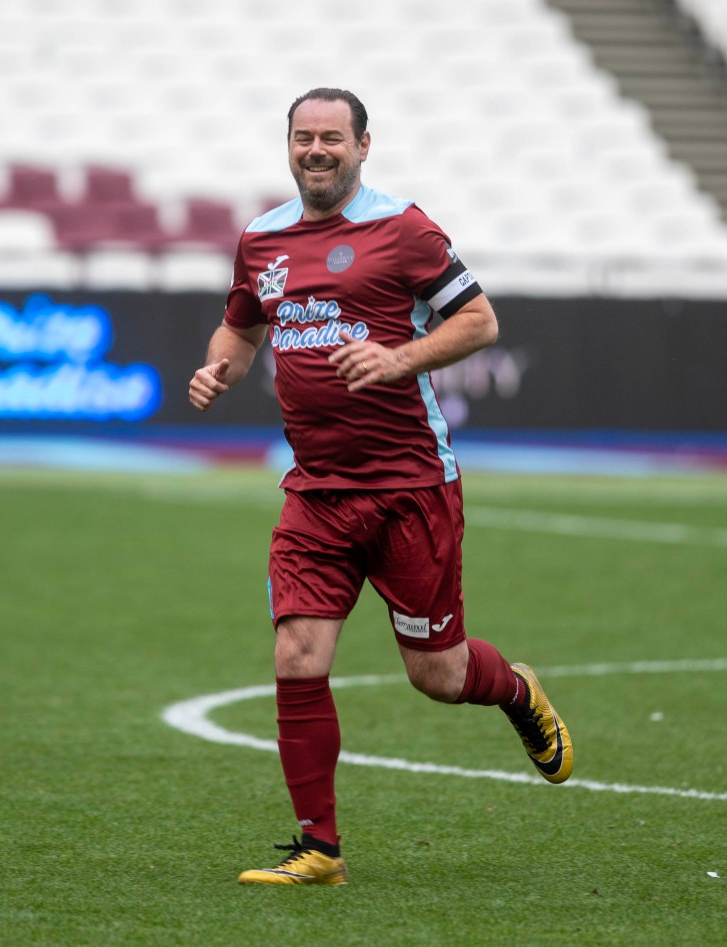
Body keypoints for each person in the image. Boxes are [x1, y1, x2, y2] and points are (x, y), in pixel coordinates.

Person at [189, 87, 573, 887]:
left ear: (364, 146)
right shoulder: (261, 238)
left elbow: (479, 322)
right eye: (303, 137)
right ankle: (319, 848)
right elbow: (242, 322)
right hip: (316, 493)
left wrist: (400, 357)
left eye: (333, 137)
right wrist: (221, 365)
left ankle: (515, 689)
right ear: (287, 145)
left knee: (436, 675)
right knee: (297, 655)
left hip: (410, 488)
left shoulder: (403, 228)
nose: (316, 150)